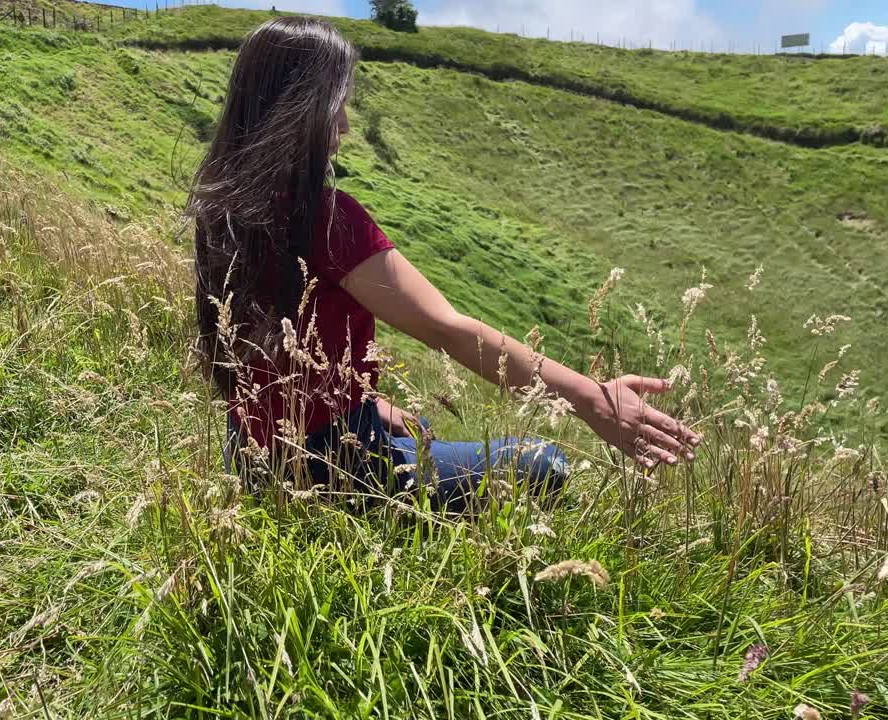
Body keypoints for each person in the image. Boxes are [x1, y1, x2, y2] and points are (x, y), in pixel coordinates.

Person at [188, 16, 700, 512]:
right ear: (296, 109)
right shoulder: (325, 219)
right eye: (334, 105)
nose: (343, 124)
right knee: (544, 462)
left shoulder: (222, 207)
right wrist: (592, 398)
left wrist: (361, 407)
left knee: (423, 427)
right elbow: (447, 327)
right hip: (331, 466)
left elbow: (260, 362)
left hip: (253, 456)